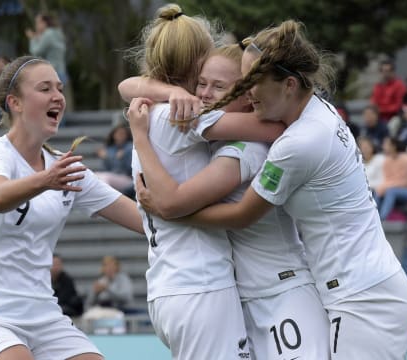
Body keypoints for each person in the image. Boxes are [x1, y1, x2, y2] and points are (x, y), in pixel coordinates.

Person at [164, 19, 407, 359]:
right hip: (359, 288)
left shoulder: (300, 142)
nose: (246, 91)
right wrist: (170, 94)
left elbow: (241, 215)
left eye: (254, 81)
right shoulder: (314, 112)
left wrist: (172, 211)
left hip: (364, 297)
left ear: (289, 85)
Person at [126, 43, 329, 359]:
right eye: (201, 83)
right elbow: (126, 86)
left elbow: (172, 203)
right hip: (246, 299)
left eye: (218, 86)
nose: (205, 94)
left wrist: (140, 137)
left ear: (248, 94)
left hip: (281, 293)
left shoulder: (249, 148)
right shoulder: (212, 137)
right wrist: (169, 91)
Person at [0, 55, 145, 360]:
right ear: (15, 103)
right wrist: (45, 180)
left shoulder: (63, 169)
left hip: (44, 317)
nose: (57, 97)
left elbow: (143, 220)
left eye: (59, 88)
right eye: (44, 89)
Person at [119, 4, 284, 360]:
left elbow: (126, 85)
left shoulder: (147, 108)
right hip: (199, 286)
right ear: (197, 63)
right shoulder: (187, 116)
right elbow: (275, 127)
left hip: (168, 287)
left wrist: (164, 93)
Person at [375, 136, 407, 221]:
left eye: (386, 144)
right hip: (393, 189)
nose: (383, 146)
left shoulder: (406, 159)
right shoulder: (387, 160)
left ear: (393, 146)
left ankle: (382, 219)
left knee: (390, 191)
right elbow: (387, 179)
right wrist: (381, 189)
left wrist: (384, 188)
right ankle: (373, 219)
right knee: (377, 192)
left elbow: (404, 182)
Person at [26, 12, 68, 85]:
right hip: (61, 71)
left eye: (37, 23)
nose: (36, 26)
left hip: (51, 72)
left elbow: (36, 52)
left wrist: (32, 39)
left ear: (44, 23)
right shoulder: (57, 32)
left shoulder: (48, 34)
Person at [94, 124, 134, 195]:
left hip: (127, 178)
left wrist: (120, 159)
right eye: (118, 133)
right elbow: (106, 169)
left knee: (105, 177)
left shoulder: (130, 147)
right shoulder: (110, 148)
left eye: (122, 133)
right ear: (113, 135)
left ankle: (106, 197)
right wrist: (105, 158)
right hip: (113, 177)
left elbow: (130, 170)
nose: (120, 135)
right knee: (96, 175)